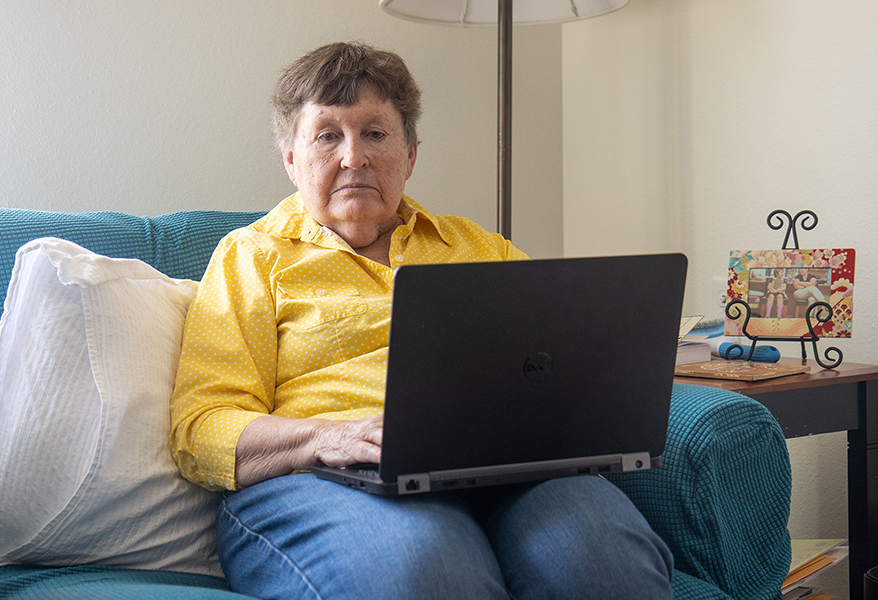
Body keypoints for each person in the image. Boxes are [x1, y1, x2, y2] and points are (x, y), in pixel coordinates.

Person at [170, 41, 673, 600]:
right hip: (320, 480)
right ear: (291, 158)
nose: (353, 157)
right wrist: (328, 436)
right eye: (327, 135)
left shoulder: (479, 248)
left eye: (375, 133)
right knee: (430, 569)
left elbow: (560, 372)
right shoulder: (252, 256)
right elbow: (202, 427)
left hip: (503, 471)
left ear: (410, 153)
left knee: (602, 560)